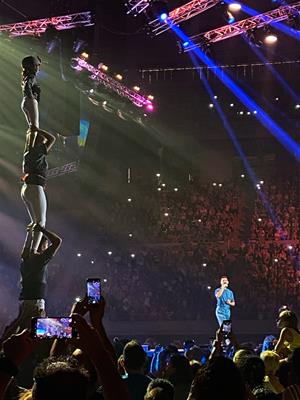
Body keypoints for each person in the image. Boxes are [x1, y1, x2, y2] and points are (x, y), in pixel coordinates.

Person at [0, 224, 62, 341]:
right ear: (42, 245)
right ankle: (6, 342)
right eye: (46, 245)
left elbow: (27, 247)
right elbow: (58, 241)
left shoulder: (26, 259)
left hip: (26, 299)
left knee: (20, 324)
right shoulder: (39, 259)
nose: (47, 247)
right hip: (34, 300)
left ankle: (5, 341)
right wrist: (41, 229)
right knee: (34, 329)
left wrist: (31, 233)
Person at [21, 129, 56, 253]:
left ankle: (29, 249)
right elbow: (52, 138)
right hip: (34, 187)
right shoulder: (37, 151)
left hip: (27, 187)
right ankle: (33, 251)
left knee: (34, 223)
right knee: (41, 222)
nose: (45, 141)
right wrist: (36, 129)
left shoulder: (29, 152)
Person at [21, 55, 41, 131]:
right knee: (34, 127)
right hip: (30, 101)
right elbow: (27, 87)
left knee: (32, 127)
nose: (38, 67)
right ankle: (32, 143)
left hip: (25, 102)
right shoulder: (31, 77)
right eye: (37, 65)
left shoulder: (27, 76)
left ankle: (31, 142)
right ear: (34, 66)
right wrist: (32, 97)